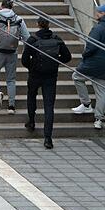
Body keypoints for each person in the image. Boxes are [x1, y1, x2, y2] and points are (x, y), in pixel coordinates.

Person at [21, 17, 72, 149]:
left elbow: (24, 60)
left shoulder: (33, 40)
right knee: (49, 106)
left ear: (38, 25)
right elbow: (67, 57)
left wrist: (32, 66)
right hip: (51, 76)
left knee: (31, 96)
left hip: (35, 75)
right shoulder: (57, 39)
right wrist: (55, 61)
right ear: (48, 25)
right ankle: (48, 138)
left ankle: (31, 121)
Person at [71, 4, 105, 130]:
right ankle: (98, 119)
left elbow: (91, 46)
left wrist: (84, 54)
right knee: (102, 92)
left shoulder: (98, 29)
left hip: (92, 63)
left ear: (104, 14)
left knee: (76, 77)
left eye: (98, 12)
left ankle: (86, 104)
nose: (96, 14)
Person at [0, 0, 30, 114]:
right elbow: (27, 38)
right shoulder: (19, 19)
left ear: (1, 6)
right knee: (11, 80)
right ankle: (11, 106)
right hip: (12, 53)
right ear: (12, 7)